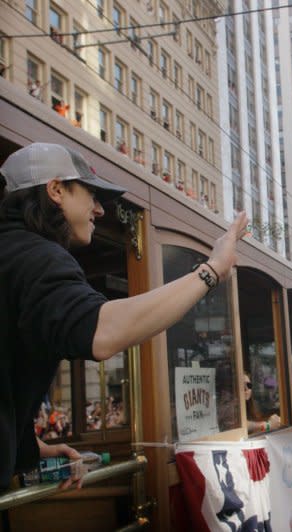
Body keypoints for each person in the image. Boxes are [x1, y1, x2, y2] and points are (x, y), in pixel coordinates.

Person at [0, 142, 249, 491]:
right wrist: (212, 270)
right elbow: (103, 332)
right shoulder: (37, 257)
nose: (99, 210)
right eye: (92, 195)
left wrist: (30, 447)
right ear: (56, 190)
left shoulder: (13, 252)